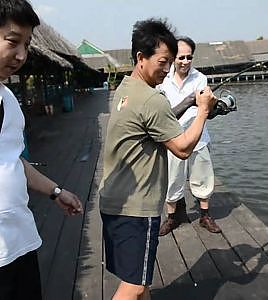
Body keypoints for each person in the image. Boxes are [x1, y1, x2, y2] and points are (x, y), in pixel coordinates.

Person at [99, 18, 216, 300]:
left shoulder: (125, 90)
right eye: (163, 62)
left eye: (172, 62)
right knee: (134, 286)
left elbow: (151, 125)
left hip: (113, 200)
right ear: (141, 57)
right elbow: (183, 148)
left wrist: (189, 103)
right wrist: (202, 111)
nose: (168, 69)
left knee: (140, 280)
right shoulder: (153, 99)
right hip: (136, 208)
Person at [0, 1, 83, 299]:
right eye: (12, 41)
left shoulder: (8, 99)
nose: (21, 55)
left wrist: (56, 192)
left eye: (27, 44)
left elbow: (12, 161)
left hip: (20, 243)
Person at [158, 36, 221, 236]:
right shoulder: (163, 80)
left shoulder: (200, 78)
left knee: (202, 176)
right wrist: (189, 101)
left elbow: (205, 111)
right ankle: (172, 217)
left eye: (189, 57)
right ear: (172, 58)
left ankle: (205, 215)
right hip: (172, 138)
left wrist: (214, 108)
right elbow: (164, 114)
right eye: (180, 57)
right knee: (171, 179)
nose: (185, 61)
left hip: (198, 137)